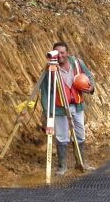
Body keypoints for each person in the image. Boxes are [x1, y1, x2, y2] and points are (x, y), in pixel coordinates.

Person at [41, 42, 96, 175]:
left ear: (67, 53)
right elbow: (45, 91)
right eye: (56, 53)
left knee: (80, 134)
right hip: (59, 108)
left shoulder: (77, 63)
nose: (59, 56)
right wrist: (47, 111)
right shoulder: (50, 69)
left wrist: (91, 87)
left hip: (77, 105)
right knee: (61, 136)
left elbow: (89, 76)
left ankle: (81, 163)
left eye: (62, 53)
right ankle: (63, 166)